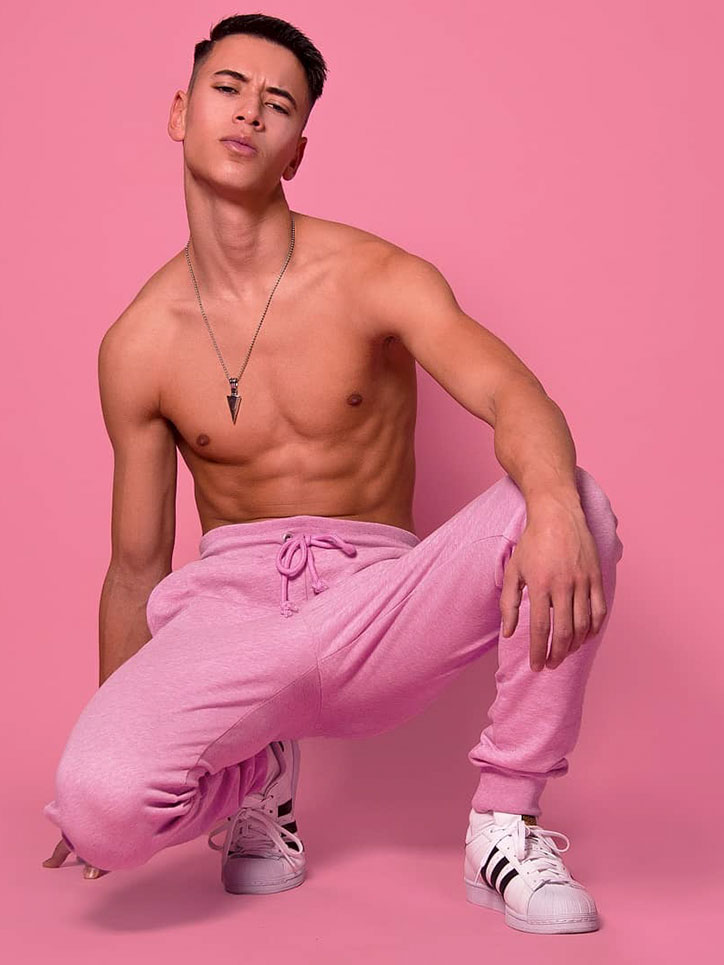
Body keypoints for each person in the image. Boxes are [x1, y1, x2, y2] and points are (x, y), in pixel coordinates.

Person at [41, 13, 623, 935]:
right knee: (96, 807)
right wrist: (116, 731)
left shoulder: (374, 275)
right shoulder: (138, 343)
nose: (249, 113)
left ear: (297, 151)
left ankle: (503, 822)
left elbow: (513, 393)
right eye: (228, 88)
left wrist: (550, 503)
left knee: (573, 500)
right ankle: (254, 774)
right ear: (180, 112)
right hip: (227, 624)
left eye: (278, 104)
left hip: (377, 610)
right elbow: (136, 566)